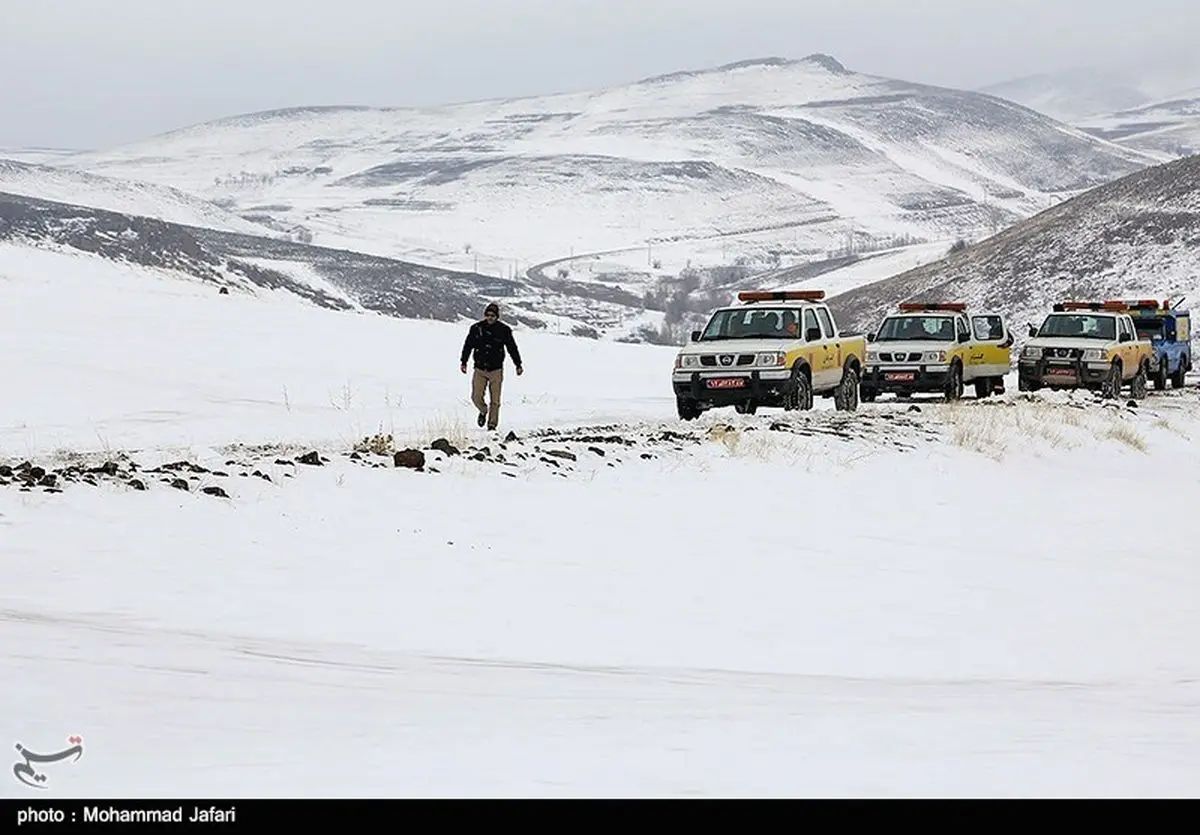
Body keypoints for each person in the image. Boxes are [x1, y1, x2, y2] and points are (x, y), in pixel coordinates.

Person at [460, 302, 523, 430]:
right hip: (480, 368)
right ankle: (483, 410)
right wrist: (464, 361)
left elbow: (512, 348)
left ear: (497, 316)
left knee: (495, 400)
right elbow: (468, 345)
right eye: (488, 315)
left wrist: (518, 364)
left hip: (496, 369)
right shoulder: (476, 328)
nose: (490, 317)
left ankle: (492, 425)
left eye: (492, 315)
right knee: (476, 396)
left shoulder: (504, 330)